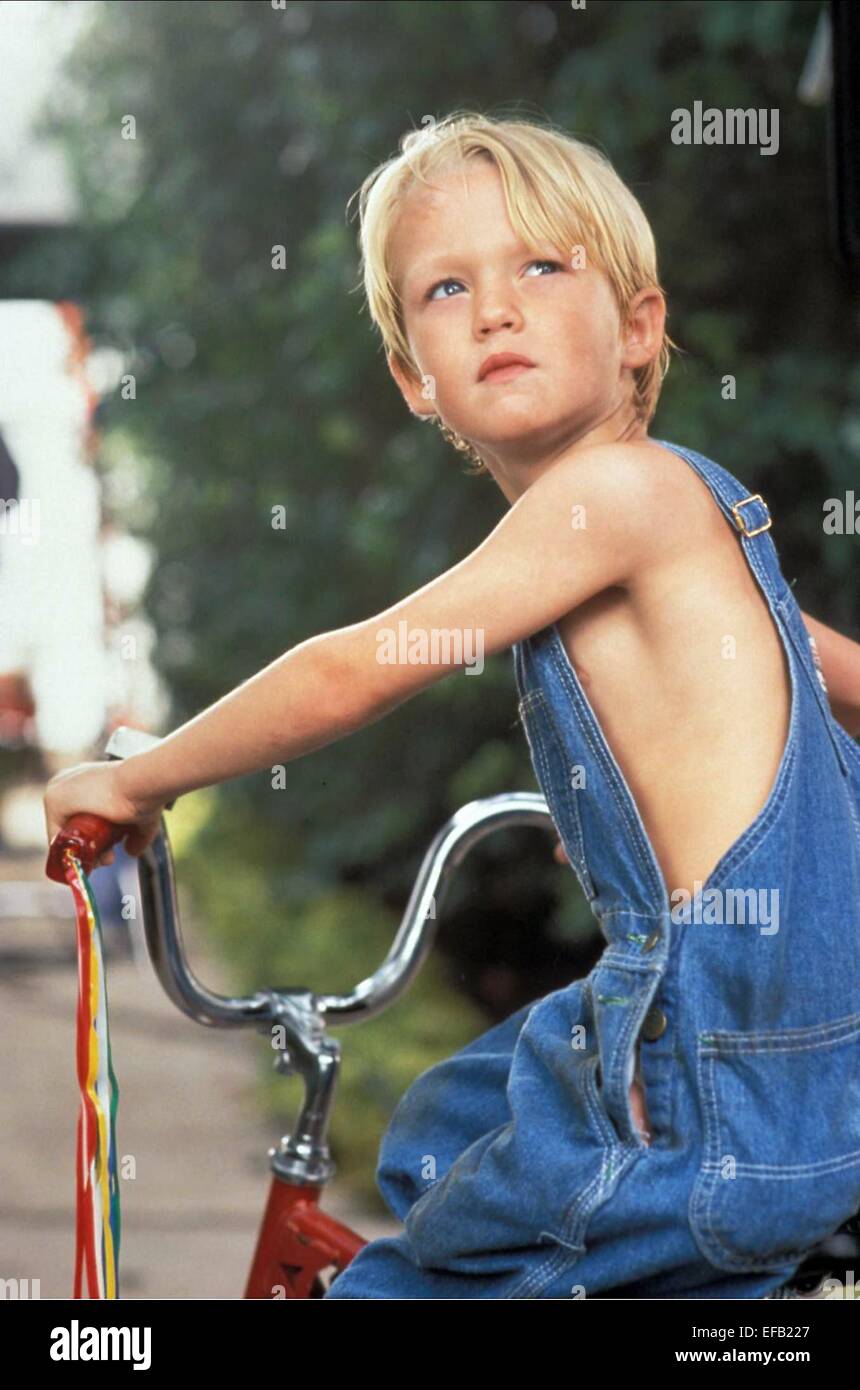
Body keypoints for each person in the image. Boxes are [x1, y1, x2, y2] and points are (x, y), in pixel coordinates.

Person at [43, 112, 860, 1300]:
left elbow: (352, 669)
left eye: (541, 267)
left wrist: (136, 778)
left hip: (710, 1102)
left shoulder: (616, 494)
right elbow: (829, 680)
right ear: (413, 380)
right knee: (447, 1118)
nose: (494, 311)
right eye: (445, 287)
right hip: (788, 1081)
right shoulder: (699, 525)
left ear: (639, 328)